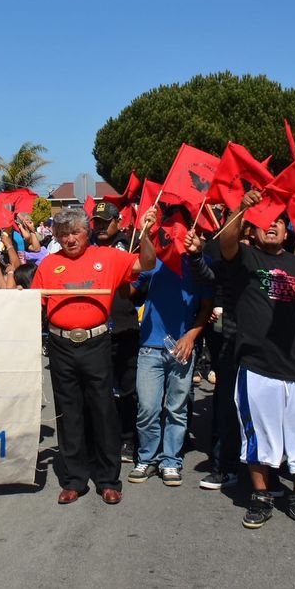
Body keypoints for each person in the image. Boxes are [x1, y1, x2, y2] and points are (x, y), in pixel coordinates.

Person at [207, 191, 295, 531]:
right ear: (254, 231)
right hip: (256, 366)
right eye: (267, 223)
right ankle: (262, 496)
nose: (273, 227)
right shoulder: (245, 259)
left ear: (286, 233)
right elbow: (225, 242)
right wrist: (241, 209)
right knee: (260, 438)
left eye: (279, 223)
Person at [32, 205, 157, 506]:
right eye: (63, 234)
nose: (69, 239)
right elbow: (35, 305)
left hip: (97, 343)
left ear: (86, 232)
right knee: (69, 411)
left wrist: (147, 233)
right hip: (61, 346)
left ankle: (108, 479)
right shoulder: (48, 265)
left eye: (75, 232)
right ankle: (74, 479)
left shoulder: (110, 257)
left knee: (103, 410)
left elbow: (148, 264)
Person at [127, 208, 214, 488]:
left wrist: (191, 336)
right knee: (148, 408)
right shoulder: (153, 262)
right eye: (167, 228)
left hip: (182, 348)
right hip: (150, 347)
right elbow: (130, 289)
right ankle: (147, 458)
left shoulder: (200, 263)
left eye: (179, 228)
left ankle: (171, 461)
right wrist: (143, 234)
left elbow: (206, 307)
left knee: (177, 409)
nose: (173, 233)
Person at [90, 199, 142, 463]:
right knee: (99, 391)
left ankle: (128, 439)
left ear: (118, 222)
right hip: (95, 332)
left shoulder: (130, 248)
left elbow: (141, 290)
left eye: (105, 222)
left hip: (125, 329)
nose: (99, 227)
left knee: (127, 391)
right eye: (96, 222)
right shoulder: (86, 250)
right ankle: (102, 439)